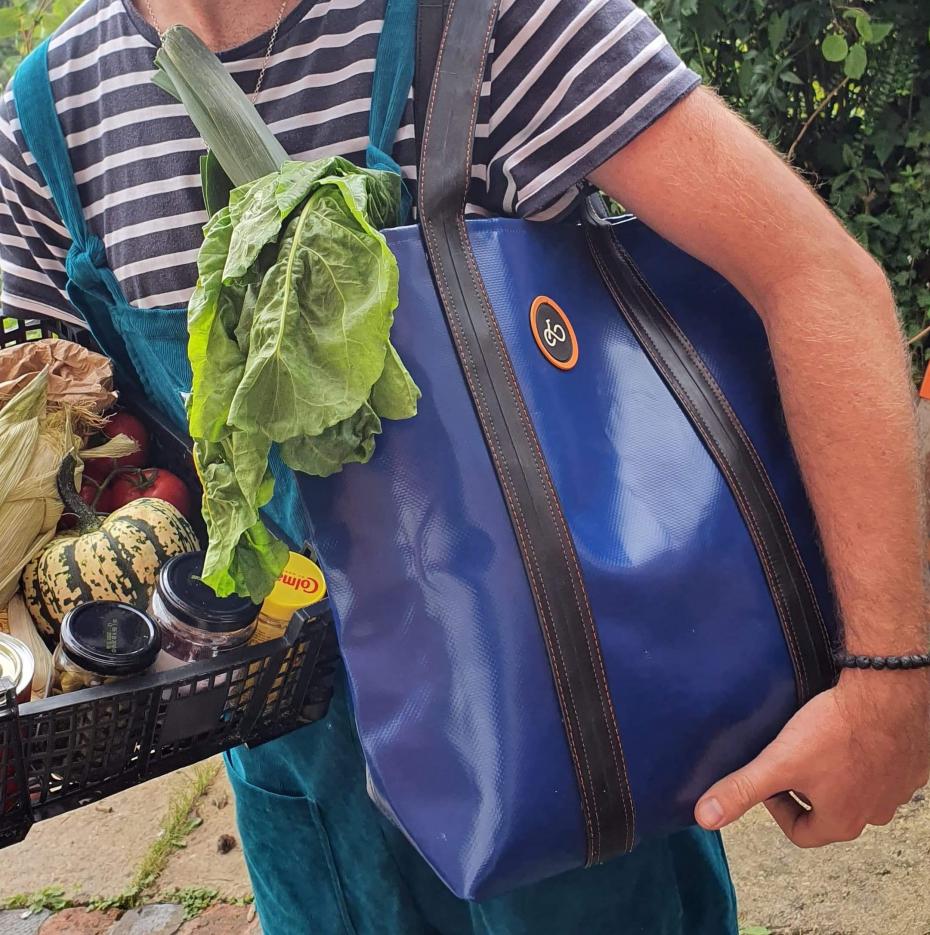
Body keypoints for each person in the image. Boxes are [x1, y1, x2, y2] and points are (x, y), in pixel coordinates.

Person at [1, 1, 927, 932]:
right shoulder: (48, 118)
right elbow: (64, 430)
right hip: (309, 806)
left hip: (573, 772)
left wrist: (890, 677)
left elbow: (814, 276)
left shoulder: (495, 22)